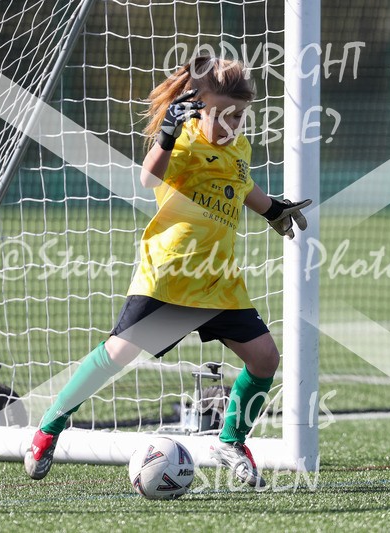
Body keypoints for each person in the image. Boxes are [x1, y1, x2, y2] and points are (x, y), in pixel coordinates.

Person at [24, 56, 312, 487]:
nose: (232, 123)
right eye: (224, 114)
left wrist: (272, 209)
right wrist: (168, 134)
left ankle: (231, 441)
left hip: (218, 279)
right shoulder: (185, 140)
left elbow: (239, 182)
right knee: (117, 356)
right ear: (198, 106)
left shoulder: (238, 145)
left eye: (240, 115)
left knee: (265, 358)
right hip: (170, 276)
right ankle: (49, 429)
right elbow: (148, 177)